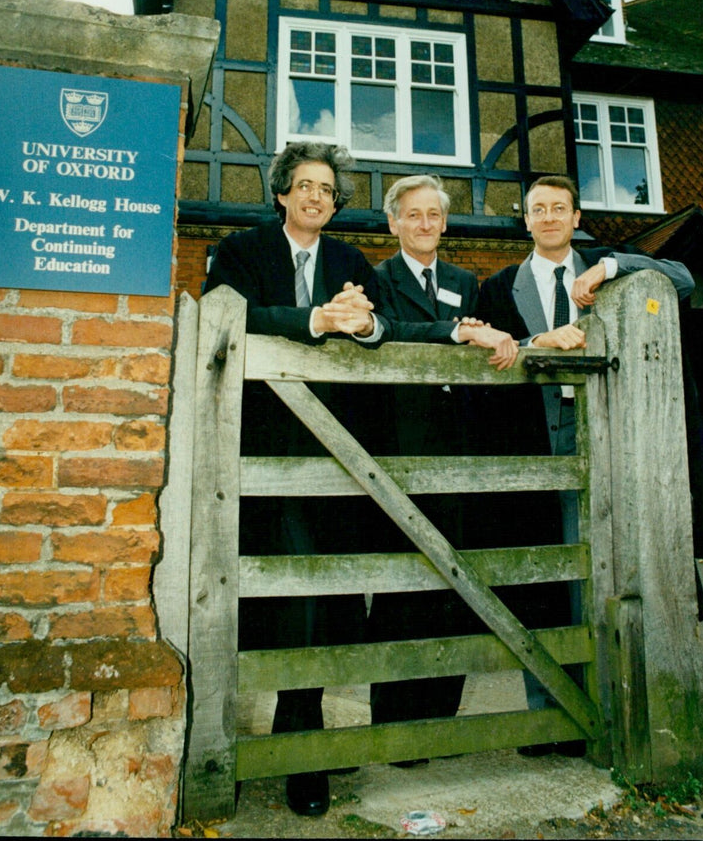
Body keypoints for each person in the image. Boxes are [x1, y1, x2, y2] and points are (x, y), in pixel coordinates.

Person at [473, 173, 694, 755]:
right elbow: (481, 359)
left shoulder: (604, 264)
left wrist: (612, 268)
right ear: (525, 220)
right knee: (543, 582)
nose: (548, 217)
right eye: (537, 209)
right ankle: (550, 718)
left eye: (559, 208)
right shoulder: (498, 286)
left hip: (608, 445)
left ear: (575, 217)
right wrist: (534, 343)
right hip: (532, 451)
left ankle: (615, 712)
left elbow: (685, 278)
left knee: (608, 576)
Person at [203, 141, 383, 818]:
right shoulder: (240, 250)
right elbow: (225, 313)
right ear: (281, 194)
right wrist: (317, 319)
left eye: (328, 189)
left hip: (337, 458)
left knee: (332, 599)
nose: (316, 197)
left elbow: (383, 322)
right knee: (265, 601)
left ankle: (301, 743)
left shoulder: (349, 260)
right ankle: (232, 746)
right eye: (304, 185)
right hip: (256, 453)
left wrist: (363, 322)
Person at [365, 175, 518, 751]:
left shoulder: (463, 282)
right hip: (400, 447)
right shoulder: (377, 280)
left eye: (434, 214)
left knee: (456, 582)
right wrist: (454, 332)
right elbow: (390, 335)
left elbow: (477, 347)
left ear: (445, 223)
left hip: (457, 448)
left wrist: (490, 336)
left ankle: (437, 726)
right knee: (404, 588)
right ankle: (393, 727)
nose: (425, 223)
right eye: (413, 215)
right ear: (394, 224)